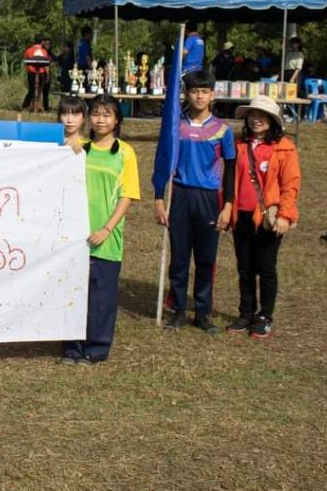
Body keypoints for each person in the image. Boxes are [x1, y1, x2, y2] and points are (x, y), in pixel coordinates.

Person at [155, 70, 236, 334]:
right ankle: (178, 310)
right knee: (179, 257)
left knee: (206, 258)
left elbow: (231, 170)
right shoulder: (176, 127)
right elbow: (162, 163)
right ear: (187, 94)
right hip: (180, 195)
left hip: (208, 199)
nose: (199, 96)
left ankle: (202, 312)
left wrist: (228, 205)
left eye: (204, 91)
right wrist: (158, 198)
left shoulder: (223, 130)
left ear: (212, 95)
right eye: (194, 91)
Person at [61, 94, 140, 365]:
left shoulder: (125, 153)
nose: (100, 119)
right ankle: (72, 347)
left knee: (101, 297)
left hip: (105, 237)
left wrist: (107, 229)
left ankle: (95, 348)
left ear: (117, 120)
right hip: (75, 236)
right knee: (74, 294)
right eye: (96, 113)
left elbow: (127, 195)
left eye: (107, 114)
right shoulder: (79, 148)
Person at [228, 95, 301, 338]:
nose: (256, 120)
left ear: (272, 120)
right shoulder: (239, 144)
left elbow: (290, 184)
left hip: (268, 216)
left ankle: (264, 316)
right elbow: (228, 178)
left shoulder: (285, 147)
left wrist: (285, 215)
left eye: (262, 116)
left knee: (266, 267)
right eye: (252, 115)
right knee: (245, 267)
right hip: (241, 214)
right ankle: (246, 312)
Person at [22, 38, 52, 112]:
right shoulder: (43, 51)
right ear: (42, 42)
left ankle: (25, 106)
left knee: (31, 90)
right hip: (40, 73)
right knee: (39, 90)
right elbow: (46, 65)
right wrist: (47, 74)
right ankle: (35, 106)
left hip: (31, 73)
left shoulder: (28, 50)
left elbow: (25, 61)